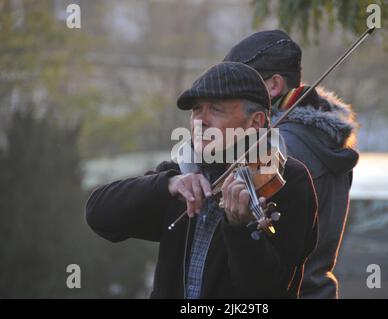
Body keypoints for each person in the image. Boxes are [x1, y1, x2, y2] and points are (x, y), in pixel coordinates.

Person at [85, 61, 318, 298]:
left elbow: (267, 291)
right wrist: (167, 184)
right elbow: (99, 215)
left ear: (256, 122)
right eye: (196, 109)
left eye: (215, 110)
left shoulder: (289, 181)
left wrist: (241, 229)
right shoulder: (182, 173)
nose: (200, 121)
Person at [224, 30, 359, 298]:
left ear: (273, 86)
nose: (230, 100)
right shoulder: (325, 141)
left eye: (239, 88)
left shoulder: (280, 147)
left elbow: (255, 246)